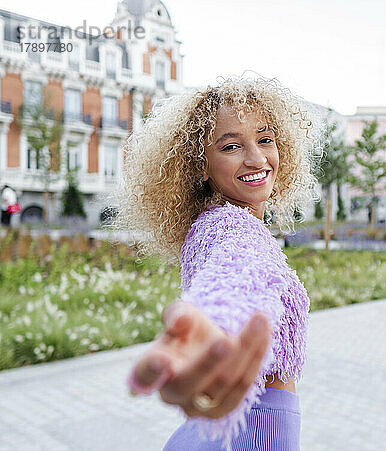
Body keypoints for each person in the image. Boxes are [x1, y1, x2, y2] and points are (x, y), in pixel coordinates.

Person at [117, 77, 321, 451]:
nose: (257, 158)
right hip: (248, 437)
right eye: (231, 146)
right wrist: (211, 336)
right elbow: (233, 282)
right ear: (201, 167)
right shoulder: (228, 228)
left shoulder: (225, 224)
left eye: (265, 139)